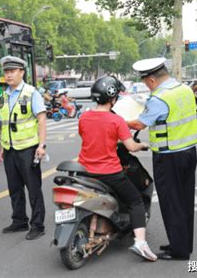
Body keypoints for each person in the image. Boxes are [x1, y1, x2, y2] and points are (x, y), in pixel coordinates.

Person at [78, 76, 157, 262]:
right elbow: (130, 146)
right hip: (109, 173)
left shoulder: (84, 117)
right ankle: (141, 243)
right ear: (113, 99)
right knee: (135, 201)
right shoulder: (116, 120)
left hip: (83, 171)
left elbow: (89, 137)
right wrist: (143, 145)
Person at [127, 57, 197, 260]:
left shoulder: (159, 98)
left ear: (151, 80)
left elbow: (140, 124)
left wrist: (120, 121)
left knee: (171, 202)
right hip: (189, 152)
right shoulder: (184, 89)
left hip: (169, 157)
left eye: (145, 83)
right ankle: (184, 244)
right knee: (185, 201)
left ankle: (179, 250)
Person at [0, 55, 47, 240]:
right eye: (6, 72)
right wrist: (3, 146)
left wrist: (41, 145)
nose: (8, 75)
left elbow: (41, 119)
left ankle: (38, 225)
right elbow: (5, 123)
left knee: (33, 188)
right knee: (14, 187)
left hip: (28, 149)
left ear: (21, 72)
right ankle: (19, 220)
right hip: (10, 149)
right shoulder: (5, 94)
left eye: (12, 71)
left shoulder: (31, 93)